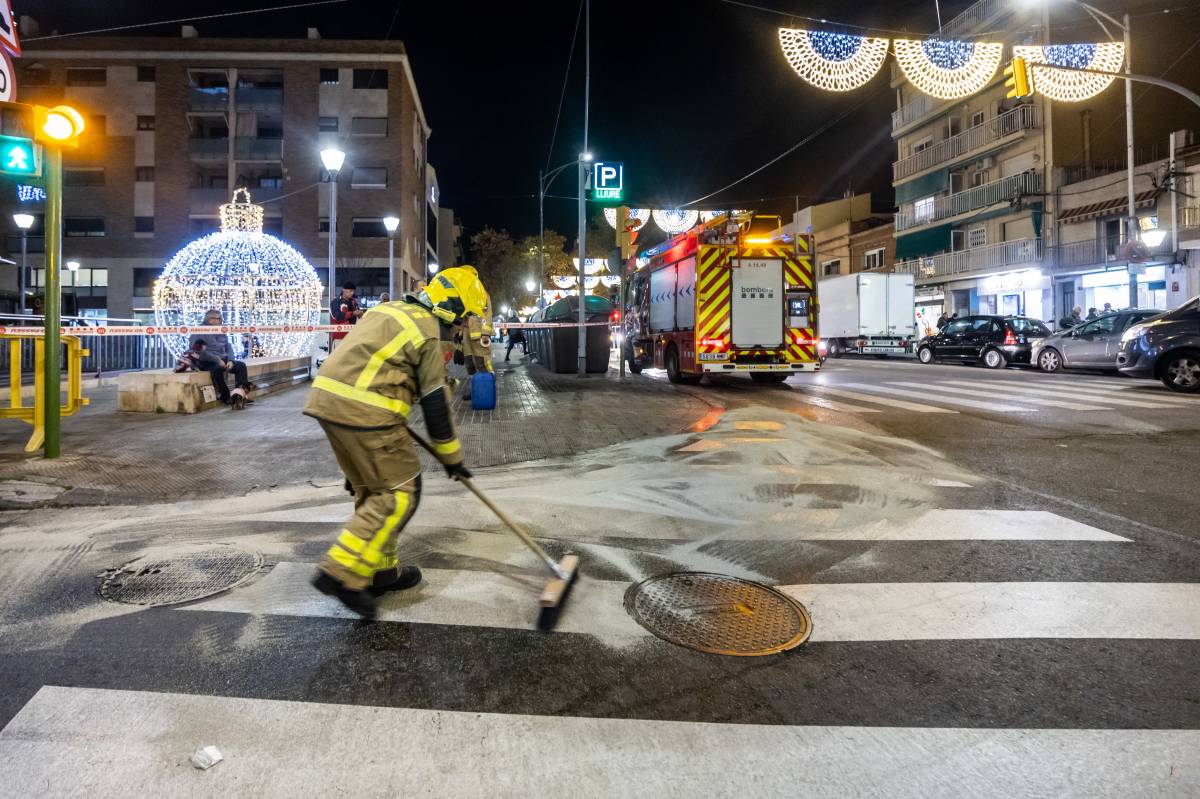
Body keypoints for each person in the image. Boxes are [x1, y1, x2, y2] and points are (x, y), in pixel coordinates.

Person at [305, 266, 482, 619]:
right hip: (365, 410)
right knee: (400, 493)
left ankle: (382, 572)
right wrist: (452, 459)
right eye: (464, 318)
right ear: (452, 308)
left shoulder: (388, 310)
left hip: (328, 400)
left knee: (372, 491)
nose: (462, 327)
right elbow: (435, 404)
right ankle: (342, 572)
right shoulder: (428, 332)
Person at [188, 309, 254, 408]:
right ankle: (225, 396)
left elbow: (228, 346)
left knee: (240, 366)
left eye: (218, 319)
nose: (216, 321)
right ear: (207, 319)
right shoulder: (199, 331)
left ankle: (240, 394)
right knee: (217, 369)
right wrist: (217, 360)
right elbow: (198, 351)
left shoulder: (221, 330)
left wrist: (231, 360)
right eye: (213, 318)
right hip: (206, 361)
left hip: (223, 359)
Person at [329, 281, 363, 350]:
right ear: (344, 290)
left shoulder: (354, 302)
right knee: (339, 356)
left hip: (352, 337)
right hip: (340, 337)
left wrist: (360, 314)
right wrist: (353, 313)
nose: (352, 293)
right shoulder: (335, 302)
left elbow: (358, 316)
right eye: (350, 291)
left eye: (353, 291)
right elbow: (338, 317)